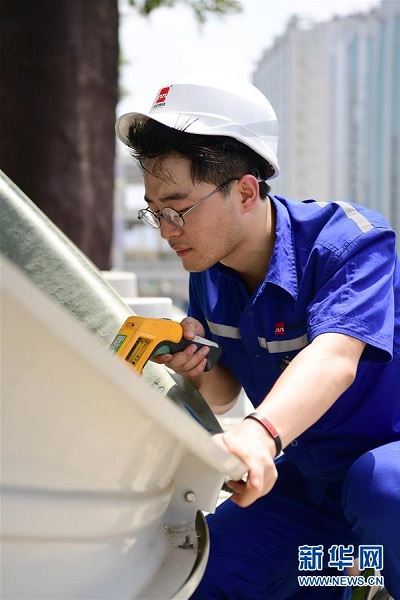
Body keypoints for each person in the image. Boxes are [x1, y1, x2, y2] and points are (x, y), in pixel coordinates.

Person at [115, 71, 400, 599]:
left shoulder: (351, 242)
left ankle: (364, 574)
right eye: (155, 212)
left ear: (245, 191)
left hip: (387, 475)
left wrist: (259, 434)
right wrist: (197, 369)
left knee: (380, 490)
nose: (166, 229)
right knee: (198, 578)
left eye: (178, 208)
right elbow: (226, 392)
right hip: (310, 485)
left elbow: (334, 358)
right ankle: (354, 575)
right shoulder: (208, 268)